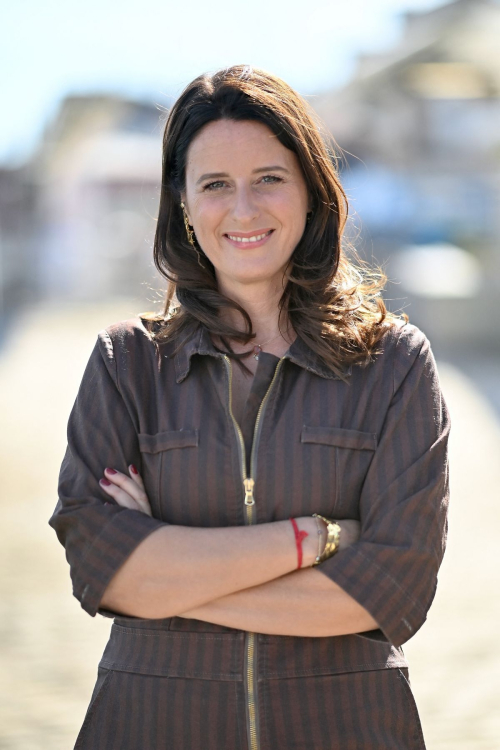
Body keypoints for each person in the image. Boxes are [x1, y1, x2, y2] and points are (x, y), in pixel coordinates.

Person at [49, 64, 450, 749]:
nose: (243, 209)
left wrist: (166, 580)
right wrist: (313, 540)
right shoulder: (125, 368)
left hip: (348, 729)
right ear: (182, 202)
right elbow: (99, 570)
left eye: (269, 178)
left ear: (310, 192)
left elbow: (391, 592)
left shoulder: (394, 365)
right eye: (214, 185)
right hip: (151, 727)